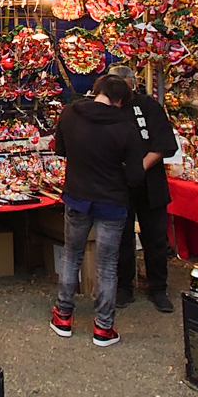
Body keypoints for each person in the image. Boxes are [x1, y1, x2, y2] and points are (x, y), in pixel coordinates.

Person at [49, 74, 144, 348]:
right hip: (112, 201)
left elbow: (60, 150)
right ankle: (103, 327)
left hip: (77, 196)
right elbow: (136, 175)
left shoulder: (70, 114)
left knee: (71, 256)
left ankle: (63, 316)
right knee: (106, 265)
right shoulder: (125, 127)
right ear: (119, 100)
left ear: (96, 90)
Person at [106, 64, 179, 313]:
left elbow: (163, 144)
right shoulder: (107, 108)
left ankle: (158, 287)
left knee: (155, 237)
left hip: (150, 182)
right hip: (118, 184)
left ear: (131, 84)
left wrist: (139, 167)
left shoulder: (148, 106)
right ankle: (124, 286)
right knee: (121, 237)